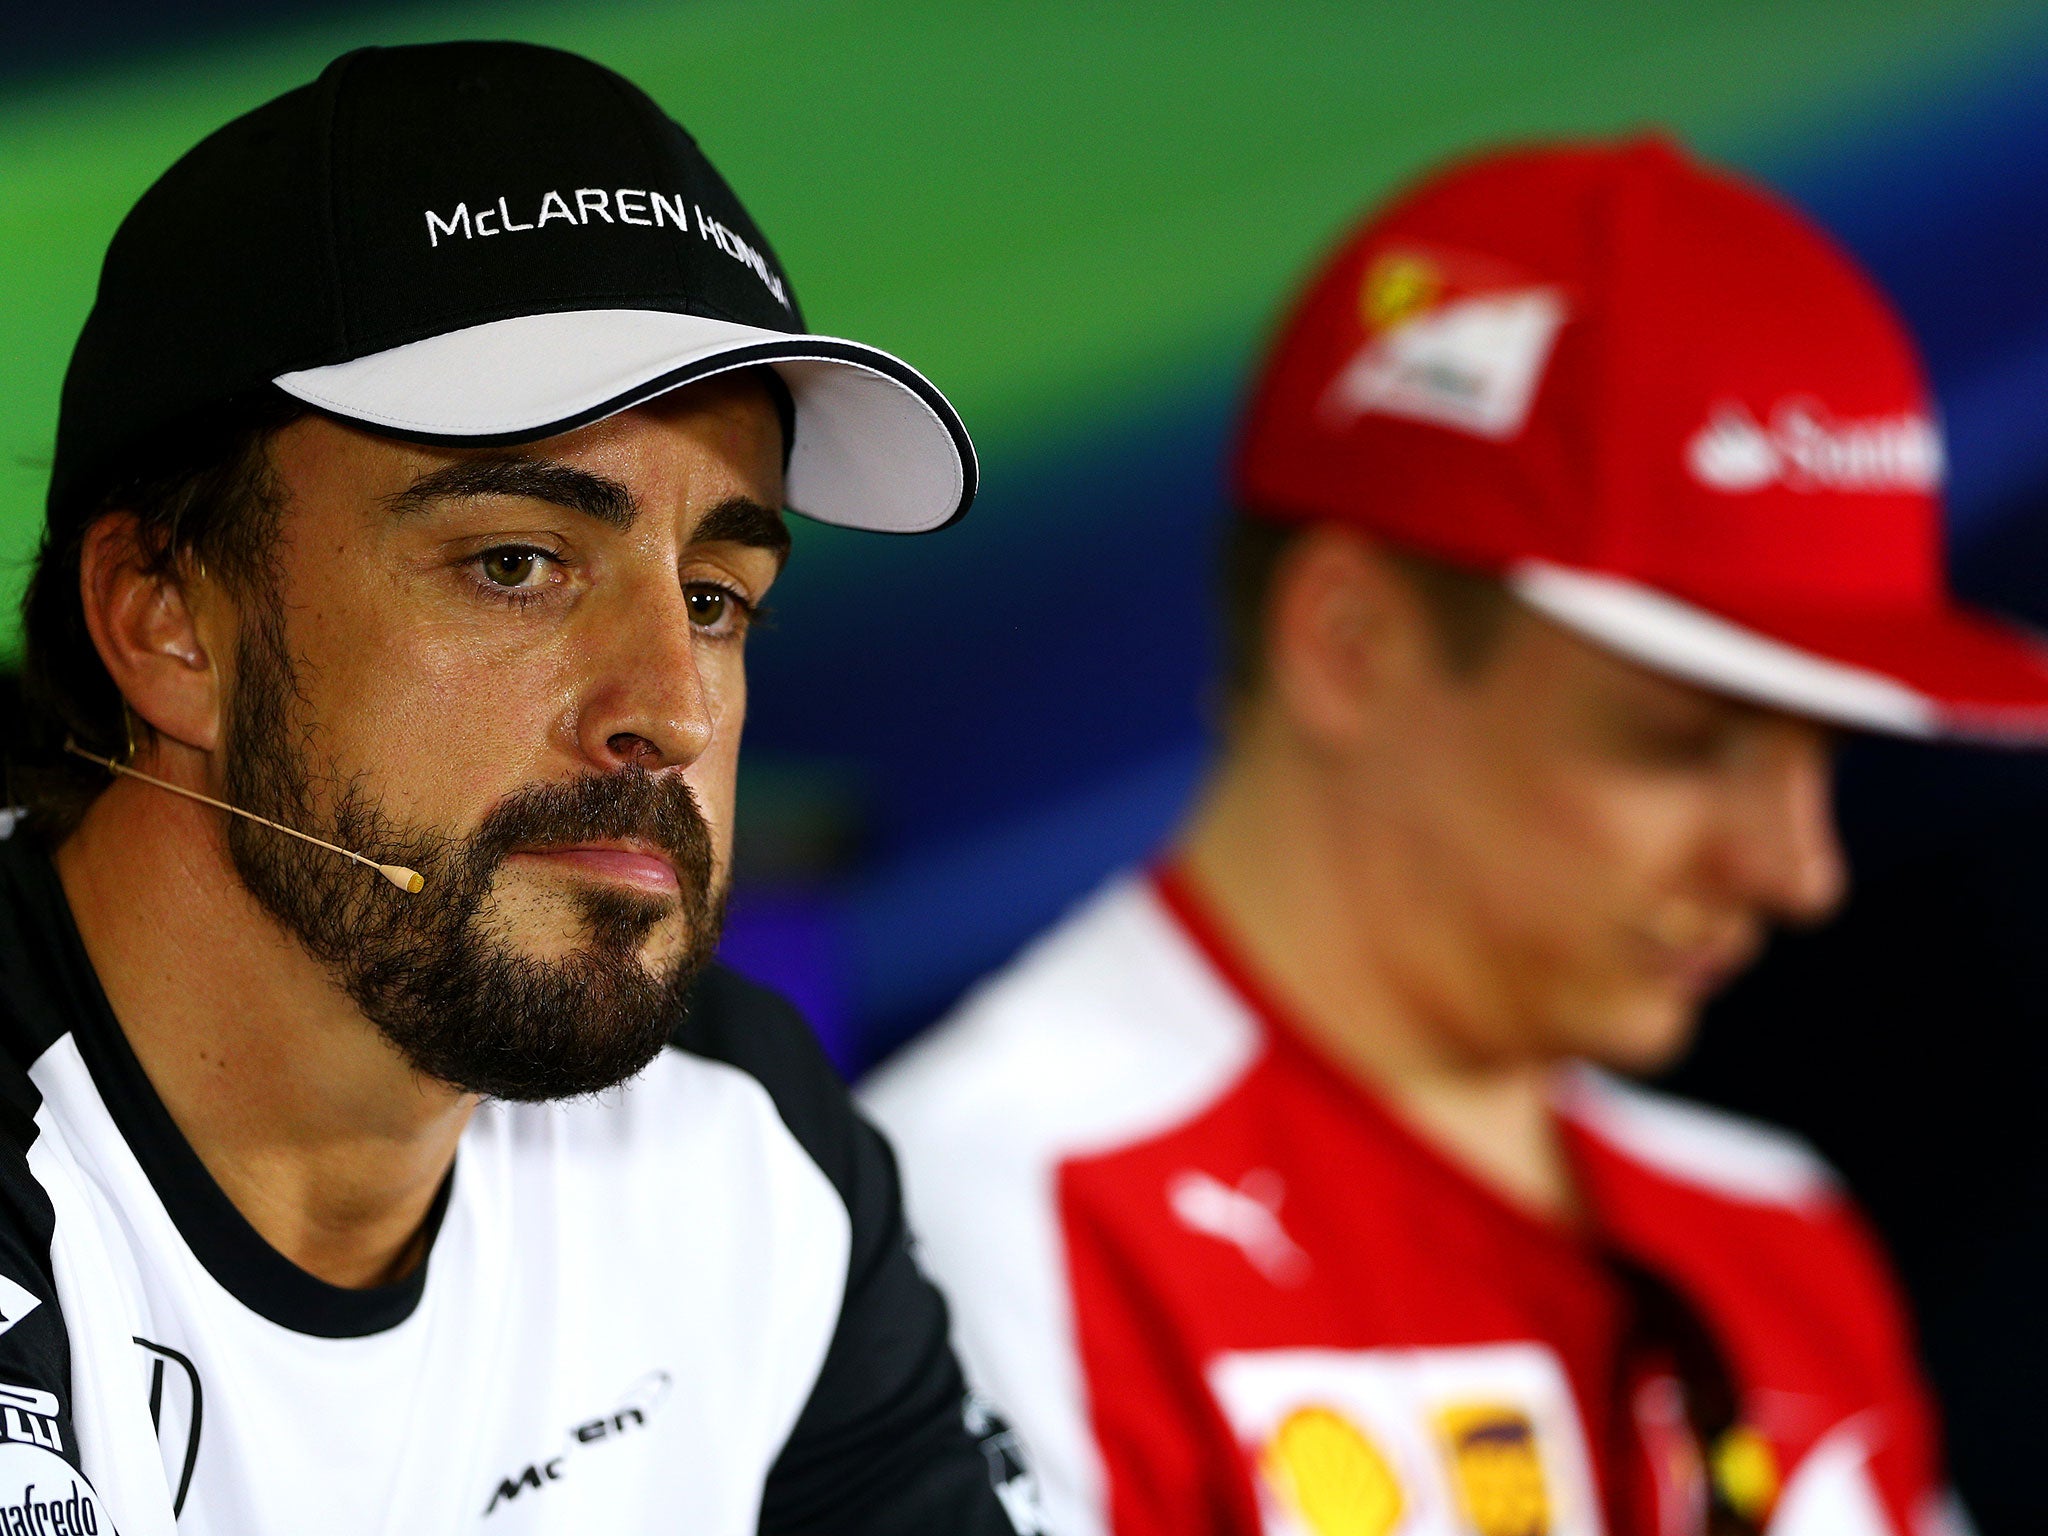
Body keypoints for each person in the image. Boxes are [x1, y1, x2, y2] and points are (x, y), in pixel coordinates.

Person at [865, 138, 2048, 1536]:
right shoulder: (982, 1229)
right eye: (1686, 740)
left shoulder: (1779, 1240)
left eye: (1826, 753)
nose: (1798, 870)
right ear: (1348, 643)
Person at [0, 40, 1034, 1536]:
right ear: (168, 622)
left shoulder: (746, 1146)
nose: (669, 711)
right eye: (516, 563)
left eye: (716, 596)